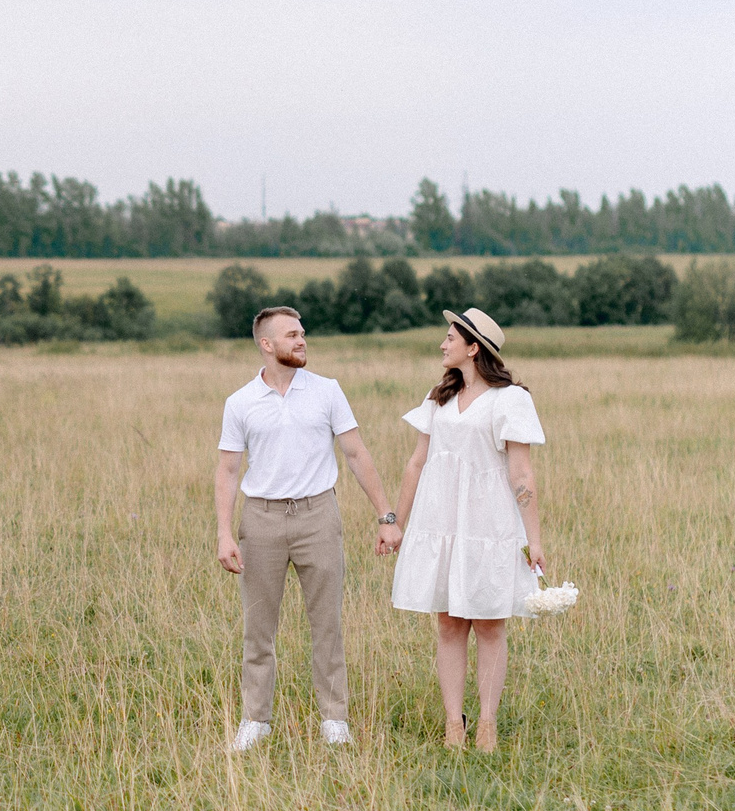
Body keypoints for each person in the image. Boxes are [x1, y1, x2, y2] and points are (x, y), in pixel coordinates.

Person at [214, 305, 405, 753]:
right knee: (258, 627)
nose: (302, 341)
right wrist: (224, 533)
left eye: (303, 333)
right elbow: (227, 469)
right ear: (267, 345)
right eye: (292, 335)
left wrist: (386, 516)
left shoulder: (327, 391)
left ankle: (334, 719)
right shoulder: (240, 402)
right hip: (260, 521)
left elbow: (356, 453)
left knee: (328, 624)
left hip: (319, 516)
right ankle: (255, 721)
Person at [385, 307, 547, 752]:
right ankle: (453, 724)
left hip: (489, 524)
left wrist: (533, 539)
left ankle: (488, 724)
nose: (442, 344)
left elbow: (522, 473)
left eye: (450, 338)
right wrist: (395, 522)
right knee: (449, 623)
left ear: (473, 348)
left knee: (491, 624)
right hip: (442, 521)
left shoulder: (510, 399)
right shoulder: (438, 397)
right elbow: (417, 462)